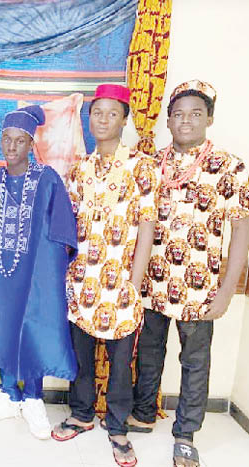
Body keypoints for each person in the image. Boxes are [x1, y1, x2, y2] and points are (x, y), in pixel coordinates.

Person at [129, 80, 249, 467]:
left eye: (195, 114)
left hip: (201, 290)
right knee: (149, 354)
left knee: (195, 362)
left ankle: (185, 434)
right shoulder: (151, 164)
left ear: (209, 119)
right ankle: (144, 413)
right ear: (168, 120)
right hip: (153, 284)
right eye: (178, 114)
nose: (185, 121)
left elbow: (242, 230)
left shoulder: (231, 167)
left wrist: (228, 290)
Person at [51, 84, 157, 467]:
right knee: (80, 357)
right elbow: (68, 226)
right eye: (98, 113)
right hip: (82, 281)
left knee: (119, 361)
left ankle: (117, 427)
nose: (104, 120)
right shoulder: (80, 169)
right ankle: (81, 414)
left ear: (124, 119)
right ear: (89, 118)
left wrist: (135, 279)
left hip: (121, 284)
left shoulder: (140, 167)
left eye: (113, 113)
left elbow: (147, 225)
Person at [0, 105, 78, 440]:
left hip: (36, 273)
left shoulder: (47, 179)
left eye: (20, 141)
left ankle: (32, 398)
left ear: (31, 144)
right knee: (1, 324)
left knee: (32, 328)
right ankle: (7, 395)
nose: (12, 147)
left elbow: (62, 229)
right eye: (7, 139)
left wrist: (50, 269)